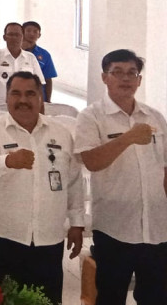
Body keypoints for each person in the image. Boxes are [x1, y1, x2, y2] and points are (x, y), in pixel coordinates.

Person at [0, 72, 83, 302]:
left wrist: (77, 223)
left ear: (40, 97)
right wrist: (6, 161)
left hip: (47, 240)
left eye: (30, 94)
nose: (23, 100)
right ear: (6, 98)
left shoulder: (61, 134)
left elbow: (73, 180)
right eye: (16, 93)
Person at [75, 49, 167, 304]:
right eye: (117, 72)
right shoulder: (91, 116)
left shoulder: (155, 117)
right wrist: (127, 139)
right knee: (111, 297)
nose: (125, 78)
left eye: (132, 73)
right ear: (105, 77)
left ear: (139, 80)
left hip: (157, 227)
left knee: (156, 297)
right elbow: (91, 161)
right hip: (115, 228)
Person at [0, 23, 44, 104]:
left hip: (24, 105)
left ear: (22, 37)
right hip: (0, 106)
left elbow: (39, 84)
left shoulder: (30, 57)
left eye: (17, 35)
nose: (14, 38)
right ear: (4, 37)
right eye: (10, 34)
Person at [21, 21, 57, 101]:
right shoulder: (14, 52)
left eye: (35, 31)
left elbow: (48, 79)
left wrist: (48, 100)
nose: (32, 34)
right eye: (28, 31)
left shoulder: (45, 54)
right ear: (22, 32)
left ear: (39, 35)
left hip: (37, 96)